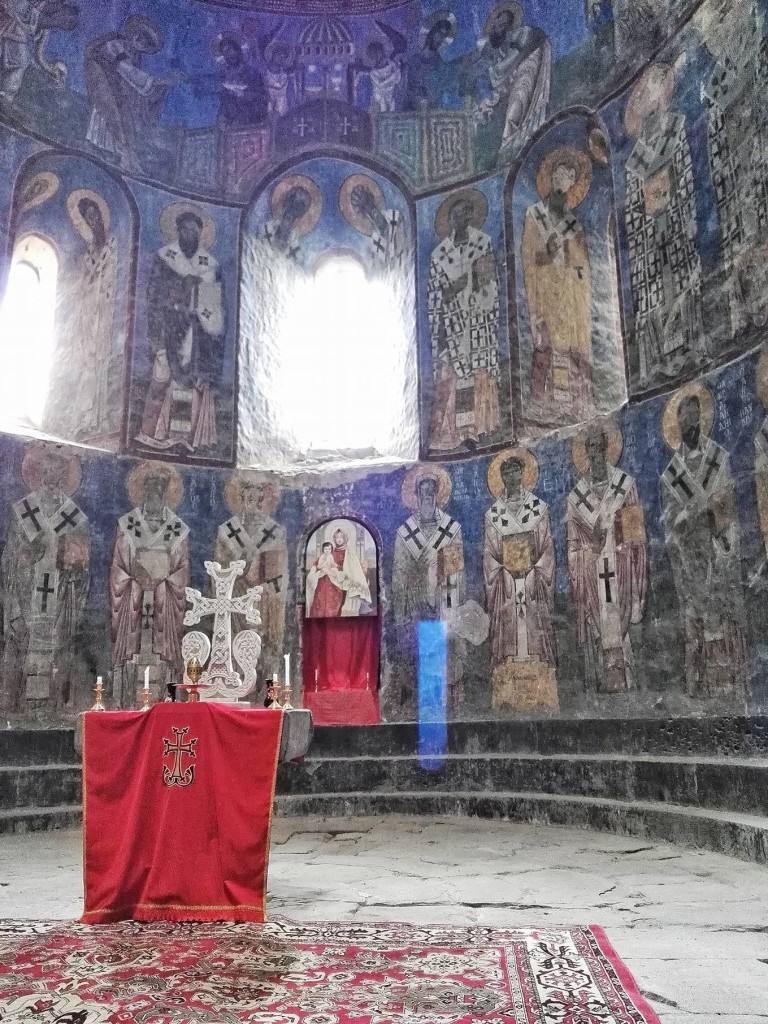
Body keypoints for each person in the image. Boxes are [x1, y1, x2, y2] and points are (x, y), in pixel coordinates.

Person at [660, 386, 746, 697]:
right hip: (689, 560)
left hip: (716, 552)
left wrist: (709, 515)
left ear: (702, 421)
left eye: (695, 420)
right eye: (684, 421)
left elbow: (727, 509)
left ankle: (730, 686)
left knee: (721, 620)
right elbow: (668, 522)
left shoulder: (718, 460)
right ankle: (699, 689)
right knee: (694, 625)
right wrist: (684, 521)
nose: (690, 426)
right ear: (677, 426)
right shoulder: (670, 476)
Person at [624, 63, 703, 387]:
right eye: (646, 92)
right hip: (650, 233)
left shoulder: (676, 128)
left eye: (657, 91)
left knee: (682, 284)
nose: (650, 100)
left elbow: (683, 172)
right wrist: (646, 213)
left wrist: (675, 204)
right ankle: (654, 362)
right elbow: (632, 202)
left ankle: (692, 347)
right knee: (654, 294)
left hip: (675, 224)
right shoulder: (637, 152)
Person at [0, 446, 89, 711]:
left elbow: (81, 566)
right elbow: (9, 560)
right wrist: (26, 556)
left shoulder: (74, 517)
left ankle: (52, 706)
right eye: (47, 470)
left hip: (59, 598)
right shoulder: (23, 511)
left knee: (57, 648)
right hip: (27, 595)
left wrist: (75, 569)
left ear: (63, 475)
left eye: (57, 471)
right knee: (21, 645)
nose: (51, 476)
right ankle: (16, 708)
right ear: (38, 472)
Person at [566, 422, 647, 693]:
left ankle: (631, 684)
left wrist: (620, 547)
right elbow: (573, 547)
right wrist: (591, 550)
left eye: (600, 446)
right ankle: (601, 689)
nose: (596, 452)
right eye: (591, 448)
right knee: (599, 628)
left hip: (621, 567)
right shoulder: (575, 498)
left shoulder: (625, 486)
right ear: (586, 453)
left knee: (622, 627)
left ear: (607, 448)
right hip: (592, 576)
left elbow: (635, 538)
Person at [137, 206, 225, 453]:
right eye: (186, 230)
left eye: (195, 231)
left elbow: (215, 310)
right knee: (163, 380)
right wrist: (181, 287)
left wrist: (209, 338)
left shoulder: (210, 266)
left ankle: (190, 438)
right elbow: (154, 296)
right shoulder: (166, 258)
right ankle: (157, 434)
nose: (191, 235)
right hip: (169, 330)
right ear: (177, 231)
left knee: (193, 386)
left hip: (197, 336)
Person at [521, 147, 593, 424]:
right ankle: (543, 404)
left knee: (570, 349)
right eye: (562, 173)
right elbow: (529, 258)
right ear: (550, 178)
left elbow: (582, 268)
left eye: (571, 177)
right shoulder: (534, 216)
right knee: (545, 347)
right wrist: (548, 254)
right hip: (544, 294)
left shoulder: (574, 226)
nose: (565, 180)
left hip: (568, 298)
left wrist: (575, 269)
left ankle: (575, 403)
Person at [109, 462, 189, 708]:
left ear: (166, 493)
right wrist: (136, 584)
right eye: (150, 489)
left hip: (163, 610)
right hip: (133, 604)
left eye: (160, 489)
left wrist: (162, 585)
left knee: (163, 657)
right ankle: (127, 702)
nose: (154, 494)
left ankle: (165, 700)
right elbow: (118, 570)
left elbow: (182, 572)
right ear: (142, 491)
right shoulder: (128, 525)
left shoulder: (177, 529)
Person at [483, 449, 557, 711]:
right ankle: (507, 696)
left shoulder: (538, 509)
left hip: (532, 582)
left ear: (522, 474)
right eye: (506, 472)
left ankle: (542, 694)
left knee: (535, 632)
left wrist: (534, 572)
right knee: (508, 634)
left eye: (515, 470)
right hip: (506, 587)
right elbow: (489, 557)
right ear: (501, 477)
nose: (510, 476)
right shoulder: (493, 515)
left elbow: (547, 548)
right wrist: (504, 572)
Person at [427, 190, 500, 451]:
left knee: (476, 373)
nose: (460, 219)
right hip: (452, 325)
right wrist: (454, 289)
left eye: (465, 213)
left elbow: (490, 283)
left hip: (477, 321)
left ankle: (475, 429)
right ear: (449, 219)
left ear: (472, 216)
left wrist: (478, 285)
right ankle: (452, 433)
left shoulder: (483, 243)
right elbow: (435, 296)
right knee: (451, 376)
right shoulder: (439, 255)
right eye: (455, 215)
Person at [46, 191, 118, 445]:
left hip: (103, 310)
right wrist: (87, 282)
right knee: (86, 359)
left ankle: (96, 417)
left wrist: (99, 286)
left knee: (99, 361)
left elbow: (110, 278)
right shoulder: (87, 252)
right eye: (88, 218)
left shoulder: (111, 247)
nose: (93, 221)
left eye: (95, 216)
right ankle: (83, 416)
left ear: (101, 218)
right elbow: (82, 282)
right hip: (88, 311)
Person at [392, 467, 466, 709]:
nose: (427, 496)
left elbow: (454, 569)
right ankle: (416, 698)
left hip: (442, 599)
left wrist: (443, 596)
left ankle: (447, 698)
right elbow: (400, 573)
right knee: (417, 648)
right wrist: (415, 589)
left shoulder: (450, 529)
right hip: (415, 604)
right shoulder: (405, 533)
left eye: (431, 492)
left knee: (445, 647)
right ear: (416, 495)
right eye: (423, 492)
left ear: (438, 495)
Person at [213, 474, 287, 682]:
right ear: (241, 498)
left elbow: (278, 575)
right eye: (248, 498)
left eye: (257, 499)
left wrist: (262, 587)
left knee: (260, 648)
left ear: (263, 501)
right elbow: (218, 568)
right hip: (234, 598)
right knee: (235, 644)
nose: (252, 503)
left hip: (262, 599)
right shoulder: (227, 531)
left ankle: (262, 687)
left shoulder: (274, 532)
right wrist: (238, 569)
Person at [465, 1, 550, 168]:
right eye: (498, 24)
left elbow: (535, 38)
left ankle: (514, 145)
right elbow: (487, 71)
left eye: (505, 24)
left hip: (526, 72)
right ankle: (510, 148)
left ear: (510, 25)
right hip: (506, 84)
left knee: (518, 100)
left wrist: (512, 65)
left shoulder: (519, 34)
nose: (500, 28)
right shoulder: (489, 49)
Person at [84, 14, 172, 172]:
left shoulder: (134, 56)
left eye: (145, 41)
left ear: (147, 47)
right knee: (108, 117)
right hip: (105, 86)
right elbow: (126, 71)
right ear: (133, 33)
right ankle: (102, 150)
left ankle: (124, 158)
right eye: (140, 35)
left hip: (118, 93)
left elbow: (131, 82)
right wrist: (158, 82)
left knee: (125, 121)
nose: (140, 40)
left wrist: (156, 89)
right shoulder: (117, 45)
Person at [0, 0, 78, 107]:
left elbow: (39, 57)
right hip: (6, 15)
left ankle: (5, 96)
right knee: (20, 57)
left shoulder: (45, 27)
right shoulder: (42, 12)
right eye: (67, 21)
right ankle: (5, 95)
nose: (64, 24)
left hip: (11, 28)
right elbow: (34, 16)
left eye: (65, 25)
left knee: (21, 59)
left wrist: (53, 71)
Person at [306, 527, 372, 617]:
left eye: (341, 537)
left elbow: (351, 569)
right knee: (321, 586)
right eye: (337, 537)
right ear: (334, 539)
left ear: (345, 538)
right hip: (326, 577)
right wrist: (317, 567)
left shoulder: (349, 553)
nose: (339, 539)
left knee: (332, 590)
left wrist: (338, 567)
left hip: (340, 580)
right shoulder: (330, 551)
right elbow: (318, 562)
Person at [405, 10, 457, 110]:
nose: (441, 38)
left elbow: (440, 89)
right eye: (440, 33)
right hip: (411, 108)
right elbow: (407, 88)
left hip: (432, 109)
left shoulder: (439, 63)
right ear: (432, 32)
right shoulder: (414, 59)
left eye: (444, 36)